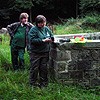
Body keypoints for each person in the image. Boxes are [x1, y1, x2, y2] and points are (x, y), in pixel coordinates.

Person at [28, 15, 54, 88]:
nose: (43, 24)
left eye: (44, 22)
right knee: (34, 68)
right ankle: (33, 84)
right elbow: (32, 40)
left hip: (45, 52)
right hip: (35, 53)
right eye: (41, 23)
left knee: (44, 68)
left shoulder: (46, 29)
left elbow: (51, 35)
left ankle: (44, 83)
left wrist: (52, 39)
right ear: (37, 23)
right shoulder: (33, 30)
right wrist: (42, 40)